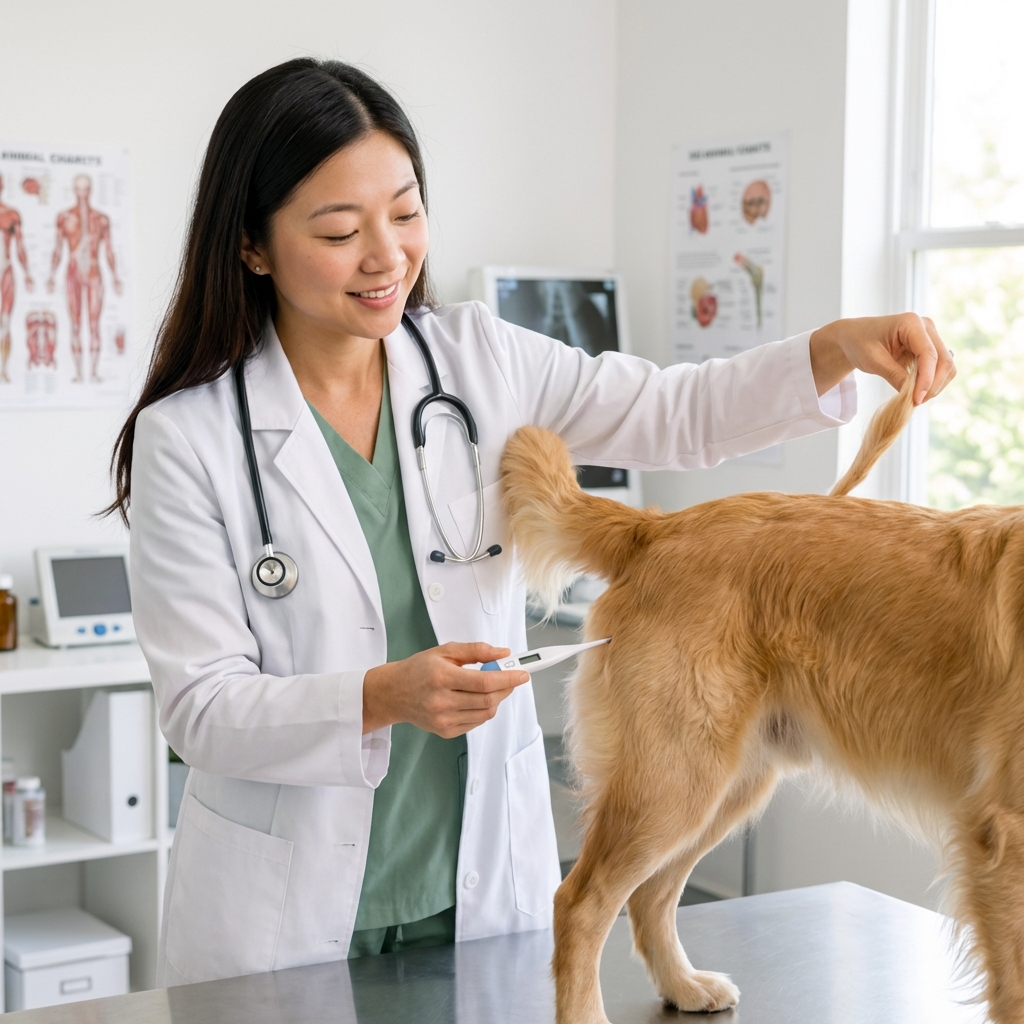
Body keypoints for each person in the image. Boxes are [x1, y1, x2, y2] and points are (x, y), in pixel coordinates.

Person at [109, 59, 955, 987]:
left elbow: (677, 411)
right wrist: (383, 695)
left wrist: (835, 349)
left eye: (405, 212)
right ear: (252, 246)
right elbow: (201, 711)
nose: (387, 255)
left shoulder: (478, 360)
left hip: (478, 891)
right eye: (341, 231)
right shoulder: (188, 438)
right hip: (281, 916)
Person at [47, 174, 122, 382]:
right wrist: (52, 275)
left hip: (94, 273)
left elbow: (109, 250)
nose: (82, 193)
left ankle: (94, 372)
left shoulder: (101, 219)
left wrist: (115, 276)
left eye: (86, 188)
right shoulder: (65, 217)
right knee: (76, 323)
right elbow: (57, 249)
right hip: (72, 272)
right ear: (74, 190)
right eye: (79, 188)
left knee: (94, 324)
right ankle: (79, 372)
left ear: (90, 190)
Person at [0, 174, 34, 382]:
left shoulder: (11, 215)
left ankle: (3, 369)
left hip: (5, 273)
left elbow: (20, 245)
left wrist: (28, 273)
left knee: (5, 322)